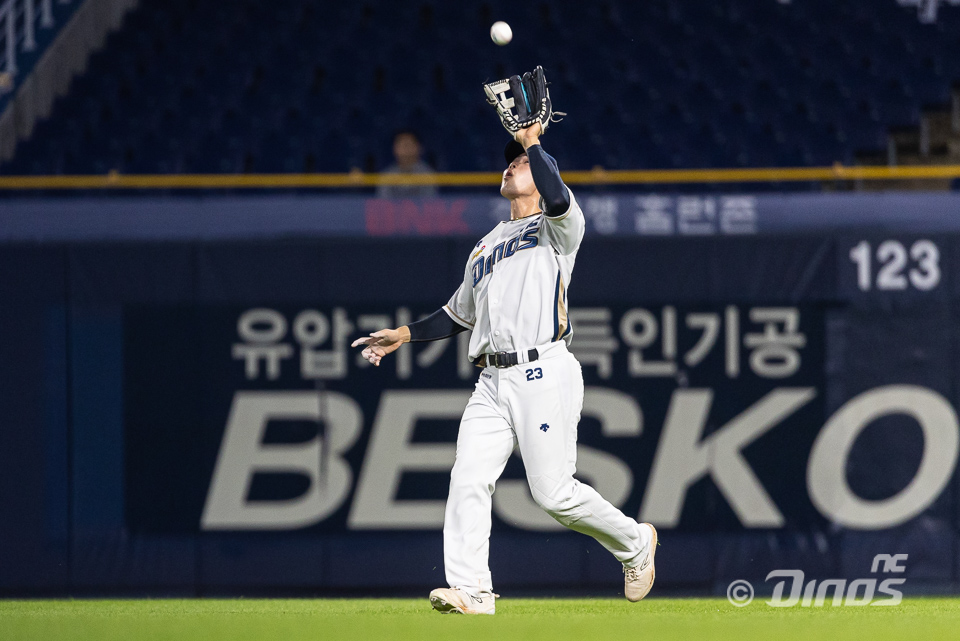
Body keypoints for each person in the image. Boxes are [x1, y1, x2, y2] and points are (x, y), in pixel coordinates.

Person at [352, 122, 657, 615]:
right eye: (510, 159)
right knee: (468, 477)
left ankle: (634, 544)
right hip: (492, 381)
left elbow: (556, 195)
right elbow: (458, 314)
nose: (512, 163)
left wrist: (535, 142)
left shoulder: (559, 227)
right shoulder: (485, 245)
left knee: (553, 495)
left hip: (543, 369)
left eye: (521, 161)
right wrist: (404, 335)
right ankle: (473, 588)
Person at [375, 130, 438, 199]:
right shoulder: (386, 175)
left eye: (409, 144)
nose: (406, 148)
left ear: (419, 147)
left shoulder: (428, 174)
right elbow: (383, 203)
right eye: (401, 144)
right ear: (394, 148)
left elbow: (429, 202)